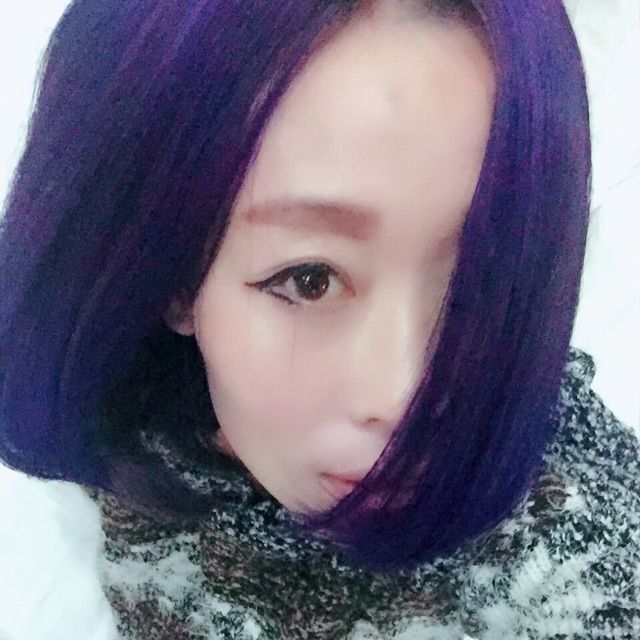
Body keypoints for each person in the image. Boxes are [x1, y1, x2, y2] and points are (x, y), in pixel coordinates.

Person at [0, 0, 638, 638]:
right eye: (310, 280)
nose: (404, 398)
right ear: (171, 277)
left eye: (483, 281)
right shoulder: (133, 418)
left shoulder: (572, 565)